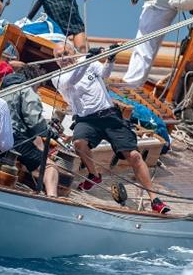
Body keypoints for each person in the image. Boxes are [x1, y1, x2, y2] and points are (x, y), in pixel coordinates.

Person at [51, 42, 170, 214]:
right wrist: (88, 59)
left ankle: (155, 199)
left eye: (65, 53)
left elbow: (105, 73)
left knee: (135, 156)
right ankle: (94, 175)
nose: (62, 59)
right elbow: (72, 80)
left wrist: (111, 58)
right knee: (79, 143)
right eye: (58, 57)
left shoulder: (89, 62)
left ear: (73, 51)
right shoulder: (58, 76)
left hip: (109, 115)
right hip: (86, 119)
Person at [0, 64, 59, 197]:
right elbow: (36, 124)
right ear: (34, 80)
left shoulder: (4, 89)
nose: (37, 90)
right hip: (14, 138)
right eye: (38, 87)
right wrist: (49, 132)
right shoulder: (26, 90)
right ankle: (52, 199)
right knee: (50, 167)